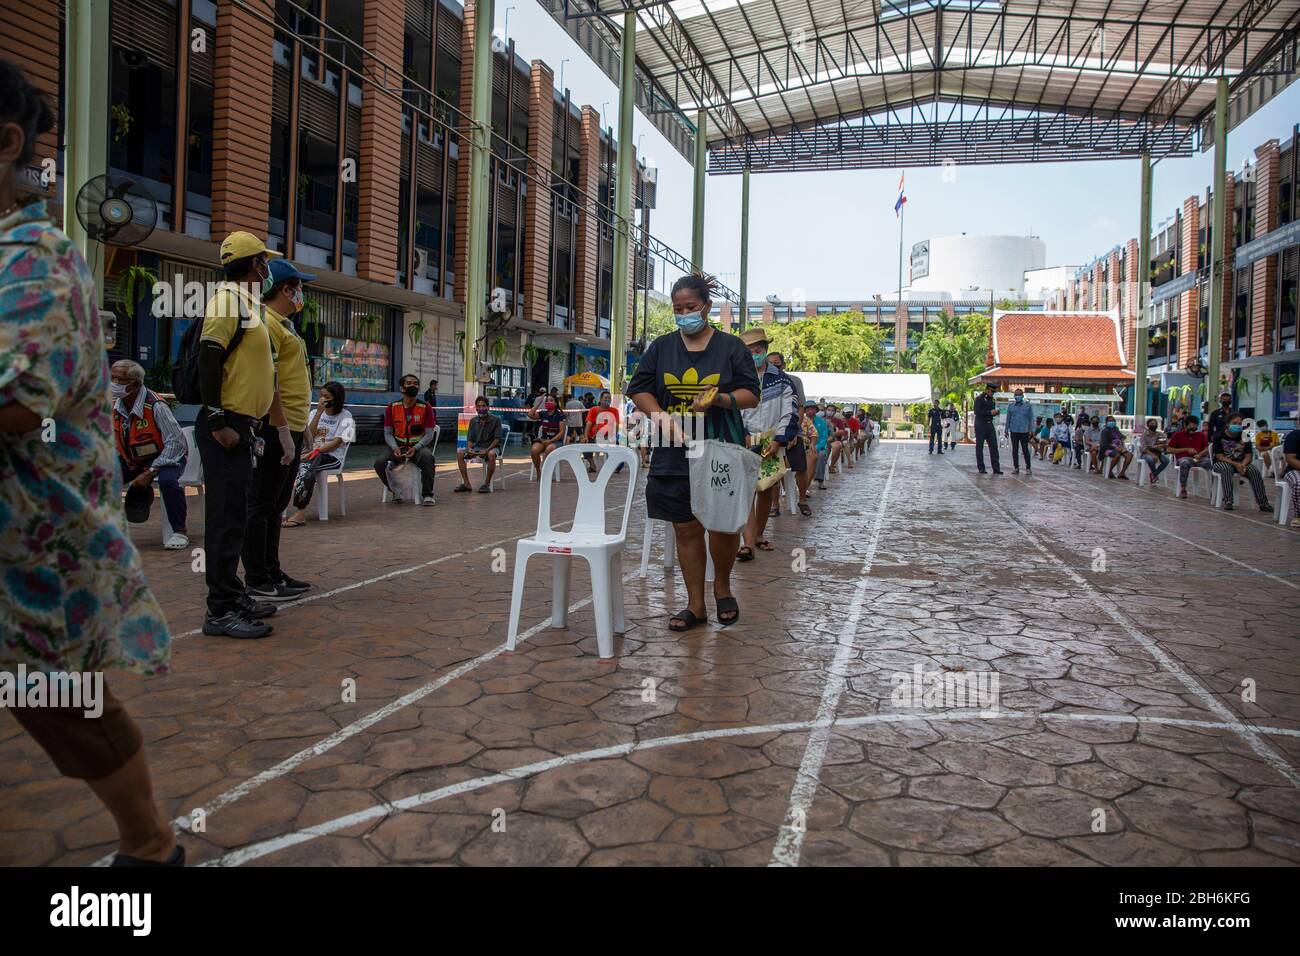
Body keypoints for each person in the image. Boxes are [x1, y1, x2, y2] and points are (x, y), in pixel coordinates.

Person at [0, 57, 180, 864]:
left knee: (59, 703)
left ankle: (148, 845)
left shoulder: (33, 258)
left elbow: (16, 405)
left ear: (5, 142)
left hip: (30, 548)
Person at [627, 272, 759, 631]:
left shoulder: (731, 347)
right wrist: (661, 418)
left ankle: (722, 585)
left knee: (723, 523)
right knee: (685, 528)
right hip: (675, 448)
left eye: (690, 307)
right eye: (678, 308)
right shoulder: (662, 347)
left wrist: (721, 398)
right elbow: (638, 388)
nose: (684, 313)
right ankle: (695, 605)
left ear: (707, 307)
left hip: (720, 447)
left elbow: (752, 393)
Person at [196, 230, 292, 638]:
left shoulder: (245, 304)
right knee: (224, 519)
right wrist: (218, 422)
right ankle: (219, 610)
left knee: (234, 516)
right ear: (255, 265)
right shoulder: (225, 303)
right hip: (227, 425)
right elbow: (208, 358)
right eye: (263, 261)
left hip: (243, 424)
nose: (266, 266)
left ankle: (233, 595)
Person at [242, 259, 315, 601]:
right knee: (262, 503)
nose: (302, 294)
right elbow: (269, 381)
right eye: (299, 288)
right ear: (286, 290)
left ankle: (272, 569)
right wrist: (284, 428)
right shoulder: (265, 324)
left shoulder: (285, 325)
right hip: (274, 428)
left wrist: (304, 428)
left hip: (294, 425)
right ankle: (256, 576)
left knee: (277, 504)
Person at [111, 360, 189, 549]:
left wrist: (151, 471)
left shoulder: (155, 406)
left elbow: (176, 442)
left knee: (168, 481)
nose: (113, 383)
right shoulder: (114, 406)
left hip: (167, 458)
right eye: (111, 378)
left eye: (119, 380)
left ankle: (179, 532)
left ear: (136, 384)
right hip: (133, 459)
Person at [739, 327, 800, 558]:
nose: (754, 354)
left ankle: (758, 534)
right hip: (743, 440)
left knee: (766, 489)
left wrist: (778, 440)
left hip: (771, 441)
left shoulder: (783, 380)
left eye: (758, 350)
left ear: (765, 349)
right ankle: (748, 543)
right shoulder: (737, 377)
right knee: (746, 492)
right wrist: (741, 433)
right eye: (749, 351)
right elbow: (733, 409)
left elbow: (790, 412)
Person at [283, 382, 355, 525]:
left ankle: (300, 511)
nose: (322, 399)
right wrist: (318, 413)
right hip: (312, 453)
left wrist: (315, 451)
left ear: (336, 399)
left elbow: (337, 442)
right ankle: (280, 507)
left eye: (326, 397)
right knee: (287, 461)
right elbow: (308, 436)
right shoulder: (314, 413)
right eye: (321, 396)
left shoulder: (346, 416)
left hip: (333, 456)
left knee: (307, 465)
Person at [375, 373, 437, 505]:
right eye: (409, 383)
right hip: (397, 447)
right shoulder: (392, 407)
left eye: (415, 383)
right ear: (402, 388)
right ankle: (395, 490)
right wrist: (394, 447)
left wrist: (416, 447)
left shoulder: (426, 408)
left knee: (427, 457)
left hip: (418, 447)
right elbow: (388, 433)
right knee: (379, 463)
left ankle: (428, 495)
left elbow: (429, 434)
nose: (413, 385)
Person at [1211, 412, 1272, 513]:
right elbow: (1219, 456)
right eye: (1235, 423)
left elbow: (1248, 455)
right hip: (1222, 462)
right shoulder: (1219, 435)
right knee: (1226, 469)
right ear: (1228, 424)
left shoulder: (1245, 435)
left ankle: (1263, 503)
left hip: (1241, 462)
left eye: (1240, 424)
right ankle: (1228, 501)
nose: (1238, 426)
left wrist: (1243, 465)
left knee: (1254, 471)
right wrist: (1236, 464)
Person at [455, 395, 501, 492]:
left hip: (491, 447)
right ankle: (467, 484)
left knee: (492, 454)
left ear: (488, 407)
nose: (481, 408)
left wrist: (487, 450)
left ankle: (486, 484)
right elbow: (470, 440)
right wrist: (470, 449)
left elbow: (497, 439)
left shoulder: (496, 420)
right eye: (478, 406)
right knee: (460, 453)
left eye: (483, 406)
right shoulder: (473, 421)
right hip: (477, 448)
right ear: (476, 408)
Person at [1168, 414, 1210, 498]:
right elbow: (1169, 449)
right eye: (1191, 426)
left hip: (1198, 458)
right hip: (1184, 458)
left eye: (1195, 426)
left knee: (1211, 463)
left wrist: (1200, 454)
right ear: (1186, 425)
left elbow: (1206, 448)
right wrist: (1186, 449)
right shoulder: (1178, 435)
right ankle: (1183, 488)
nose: (1193, 428)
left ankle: (1215, 488)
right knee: (1185, 462)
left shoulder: (1200, 435)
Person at [527, 393, 567, 475]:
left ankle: (547, 473)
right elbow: (530, 415)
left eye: (551, 400)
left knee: (549, 449)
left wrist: (550, 441)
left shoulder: (560, 415)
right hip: (543, 439)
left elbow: (562, 433)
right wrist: (538, 403)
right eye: (547, 401)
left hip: (556, 441)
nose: (548, 402)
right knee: (534, 450)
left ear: (556, 403)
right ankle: (539, 471)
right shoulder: (543, 413)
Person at [583, 389, 621, 473]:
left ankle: (613, 465)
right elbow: (588, 424)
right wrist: (586, 436)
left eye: (609, 398)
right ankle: (592, 465)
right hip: (594, 436)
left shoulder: (614, 411)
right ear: (600, 399)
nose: (608, 400)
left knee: (617, 446)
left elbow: (616, 425)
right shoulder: (593, 410)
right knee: (585, 445)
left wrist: (613, 435)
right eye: (605, 398)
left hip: (608, 436)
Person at [796, 399, 820, 513]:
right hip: (784, 449)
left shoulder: (805, 420)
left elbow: (814, 434)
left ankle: (803, 490)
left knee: (813, 455)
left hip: (803, 448)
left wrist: (812, 444)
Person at [972, 382, 1002, 474]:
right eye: (992, 391)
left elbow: (992, 412)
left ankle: (996, 468)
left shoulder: (992, 400)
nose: (992, 393)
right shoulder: (979, 399)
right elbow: (977, 412)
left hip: (989, 424)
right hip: (980, 424)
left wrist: (996, 412)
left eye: (994, 392)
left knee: (994, 446)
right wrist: (990, 412)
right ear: (987, 389)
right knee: (980, 447)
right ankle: (981, 468)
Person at [1003, 387, 1033, 474]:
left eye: (1019, 395)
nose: (1017, 396)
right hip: (1014, 430)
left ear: (1022, 395)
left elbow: (1031, 419)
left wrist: (1031, 430)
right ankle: (1016, 467)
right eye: (1016, 395)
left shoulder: (1027, 406)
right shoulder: (1011, 407)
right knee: (1015, 450)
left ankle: (1028, 468)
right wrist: (1006, 430)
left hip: (1024, 431)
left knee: (1025, 450)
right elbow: (1008, 419)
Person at [1097, 415, 1133, 479]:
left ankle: (1122, 473)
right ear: (1106, 422)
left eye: (1113, 420)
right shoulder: (1105, 431)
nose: (1112, 422)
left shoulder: (1116, 429)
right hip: (1108, 449)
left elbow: (1120, 436)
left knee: (1129, 455)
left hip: (1119, 448)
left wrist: (1123, 437)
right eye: (1110, 421)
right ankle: (1109, 471)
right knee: (1117, 455)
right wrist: (1115, 448)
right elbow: (1105, 444)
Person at [1280, 415, 1300, 528]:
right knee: (1299, 483)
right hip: (1294, 469)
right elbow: (1290, 458)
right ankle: (1298, 515)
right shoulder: (1294, 436)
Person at [1136, 418, 1170, 485]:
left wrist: (1163, 445)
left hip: (1157, 452)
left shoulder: (1159, 434)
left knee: (1166, 460)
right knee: (1150, 459)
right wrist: (1152, 454)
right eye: (1152, 423)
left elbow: (1165, 443)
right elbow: (1143, 448)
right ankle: (1155, 475)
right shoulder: (1144, 435)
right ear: (1148, 425)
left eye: (1155, 423)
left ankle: (1154, 474)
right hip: (1146, 453)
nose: (1154, 425)